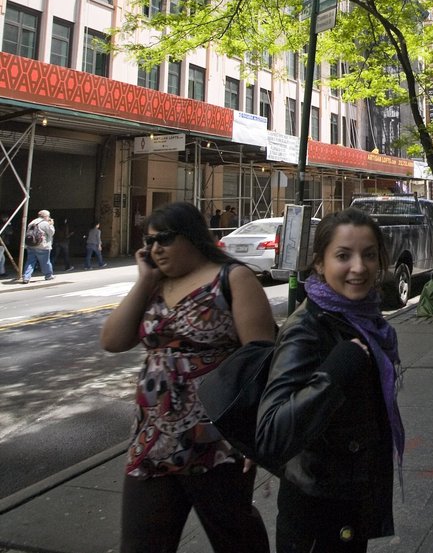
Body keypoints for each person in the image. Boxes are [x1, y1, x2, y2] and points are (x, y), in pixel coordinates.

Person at [100, 201, 275, 553]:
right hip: (152, 440)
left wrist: (257, 432)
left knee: (236, 539)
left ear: (193, 236)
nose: (155, 249)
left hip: (217, 442)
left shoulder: (232, 278)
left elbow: (262, 359)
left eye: (164, 238)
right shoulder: (154, 284)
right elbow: (113, 341)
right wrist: (145, 280)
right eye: (148, 242)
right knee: (141, 544)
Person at [256, 207, 403, 553]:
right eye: (343, 256)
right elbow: (271, 434)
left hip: (348, 501)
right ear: (320, 263)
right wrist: (333, 374)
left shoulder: (362, 318)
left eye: (369, 255)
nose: (359, 267)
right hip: (315, 514)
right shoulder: (306, 329)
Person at [22, 209, 55, 283]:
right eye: (48, 216)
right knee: (45, 262)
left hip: (31, 245)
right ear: (46, 216)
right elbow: (51, 233)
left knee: (30, 261)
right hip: (42, 246)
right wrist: (51, 224)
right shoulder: (45, 223)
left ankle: (26, 277)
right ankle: (48, 275)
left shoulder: (32, 222)